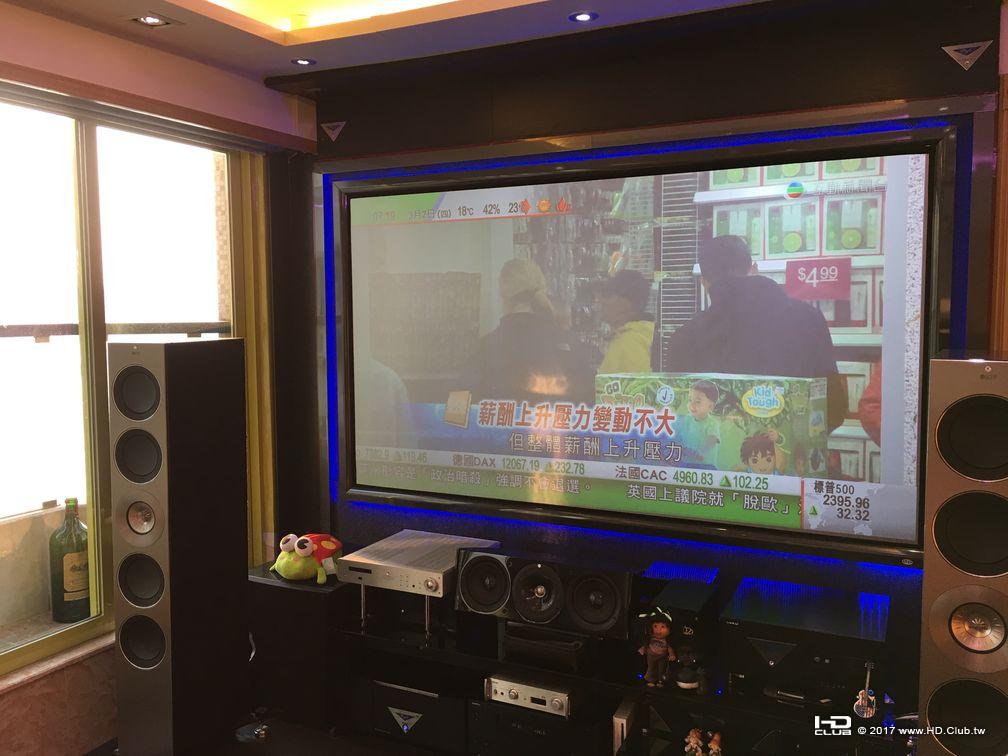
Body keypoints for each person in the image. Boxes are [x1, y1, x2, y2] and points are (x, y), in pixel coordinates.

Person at [662, 235, 847, 431]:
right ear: (753, 269)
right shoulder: (808, 319)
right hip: (792, 446)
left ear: (704, 282)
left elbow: (678, 415)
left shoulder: (685, 337)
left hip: (711, 449)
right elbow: (833, 409)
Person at [467, 258, 575, 402]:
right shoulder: (567, 344)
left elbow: (464, 407)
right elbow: (590, 401)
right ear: (542, 290)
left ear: (502, 295)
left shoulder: (486, 348)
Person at [596, 269, 655, 374]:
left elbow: (635, 383)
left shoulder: (629, 344)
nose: (600, 300)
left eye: (608, 295)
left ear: (625, 304)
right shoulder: (645, 334)